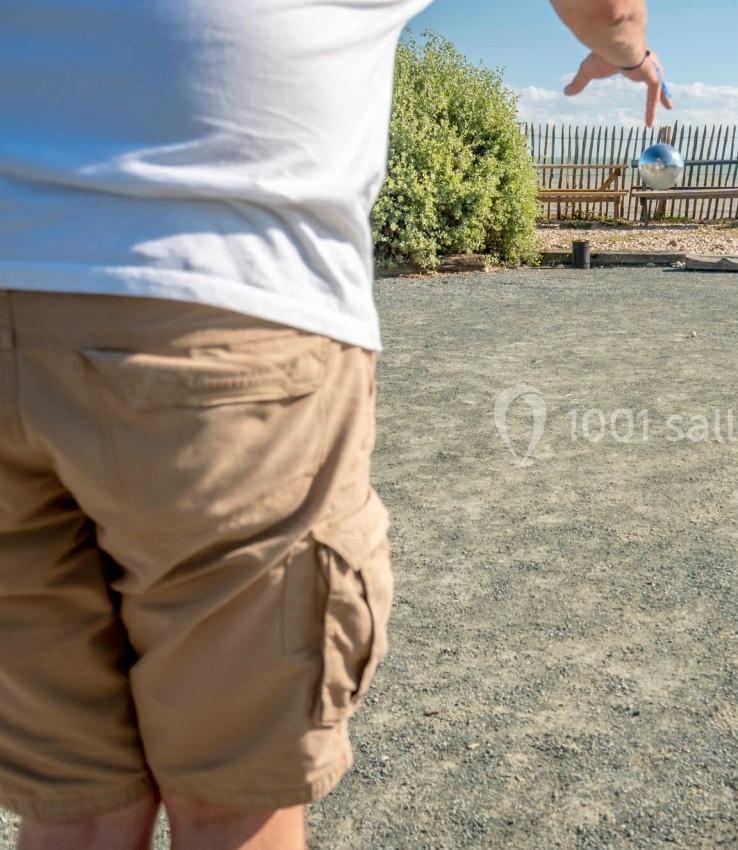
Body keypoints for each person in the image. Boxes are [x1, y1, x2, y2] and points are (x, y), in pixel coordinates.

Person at [0, 1, 672, 847]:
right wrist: (631, 52)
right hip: (217, 299)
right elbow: (607, 7)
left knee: (77, 810)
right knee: (233, 800)